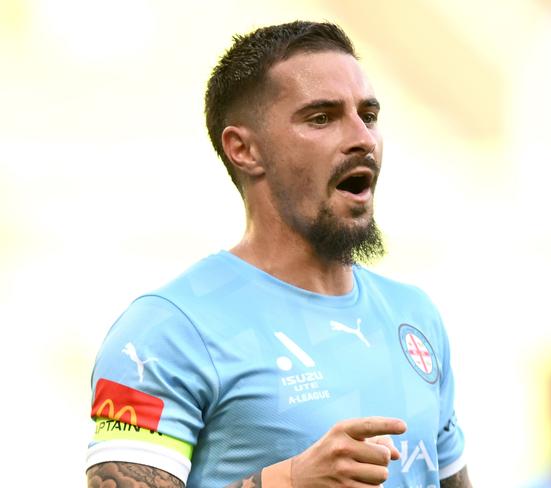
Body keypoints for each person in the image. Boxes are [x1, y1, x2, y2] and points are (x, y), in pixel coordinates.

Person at [86, 20, 470, 488]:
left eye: (367, 115)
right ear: (244, 149)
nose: (363, 138)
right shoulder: (169, 330)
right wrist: (288, 481)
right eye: (321, 118)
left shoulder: (414, 316)